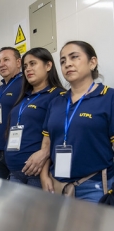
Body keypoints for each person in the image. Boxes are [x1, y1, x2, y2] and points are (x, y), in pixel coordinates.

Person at [40, 40, 114, 203]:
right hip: (56, 184)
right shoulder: (56, 102)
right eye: (63, 61)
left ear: (92, 62)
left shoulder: (108, 97)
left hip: (93, 187)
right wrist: (44, 175)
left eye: (74, 57)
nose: (67, 64)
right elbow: (47, 143)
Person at [4, 47, 64, 187]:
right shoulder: (24, 97)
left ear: (48, 65)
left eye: (33, 63)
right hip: (14, 170)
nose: (28, 69)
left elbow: (62, 134)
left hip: (37, 172)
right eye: (25, 66)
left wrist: (45, 152)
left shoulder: (58, 95)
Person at [0, 47, 23, 179]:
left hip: (18, 149)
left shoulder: (25, 84)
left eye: (6, 60)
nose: (2, 64)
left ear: (18, 62)